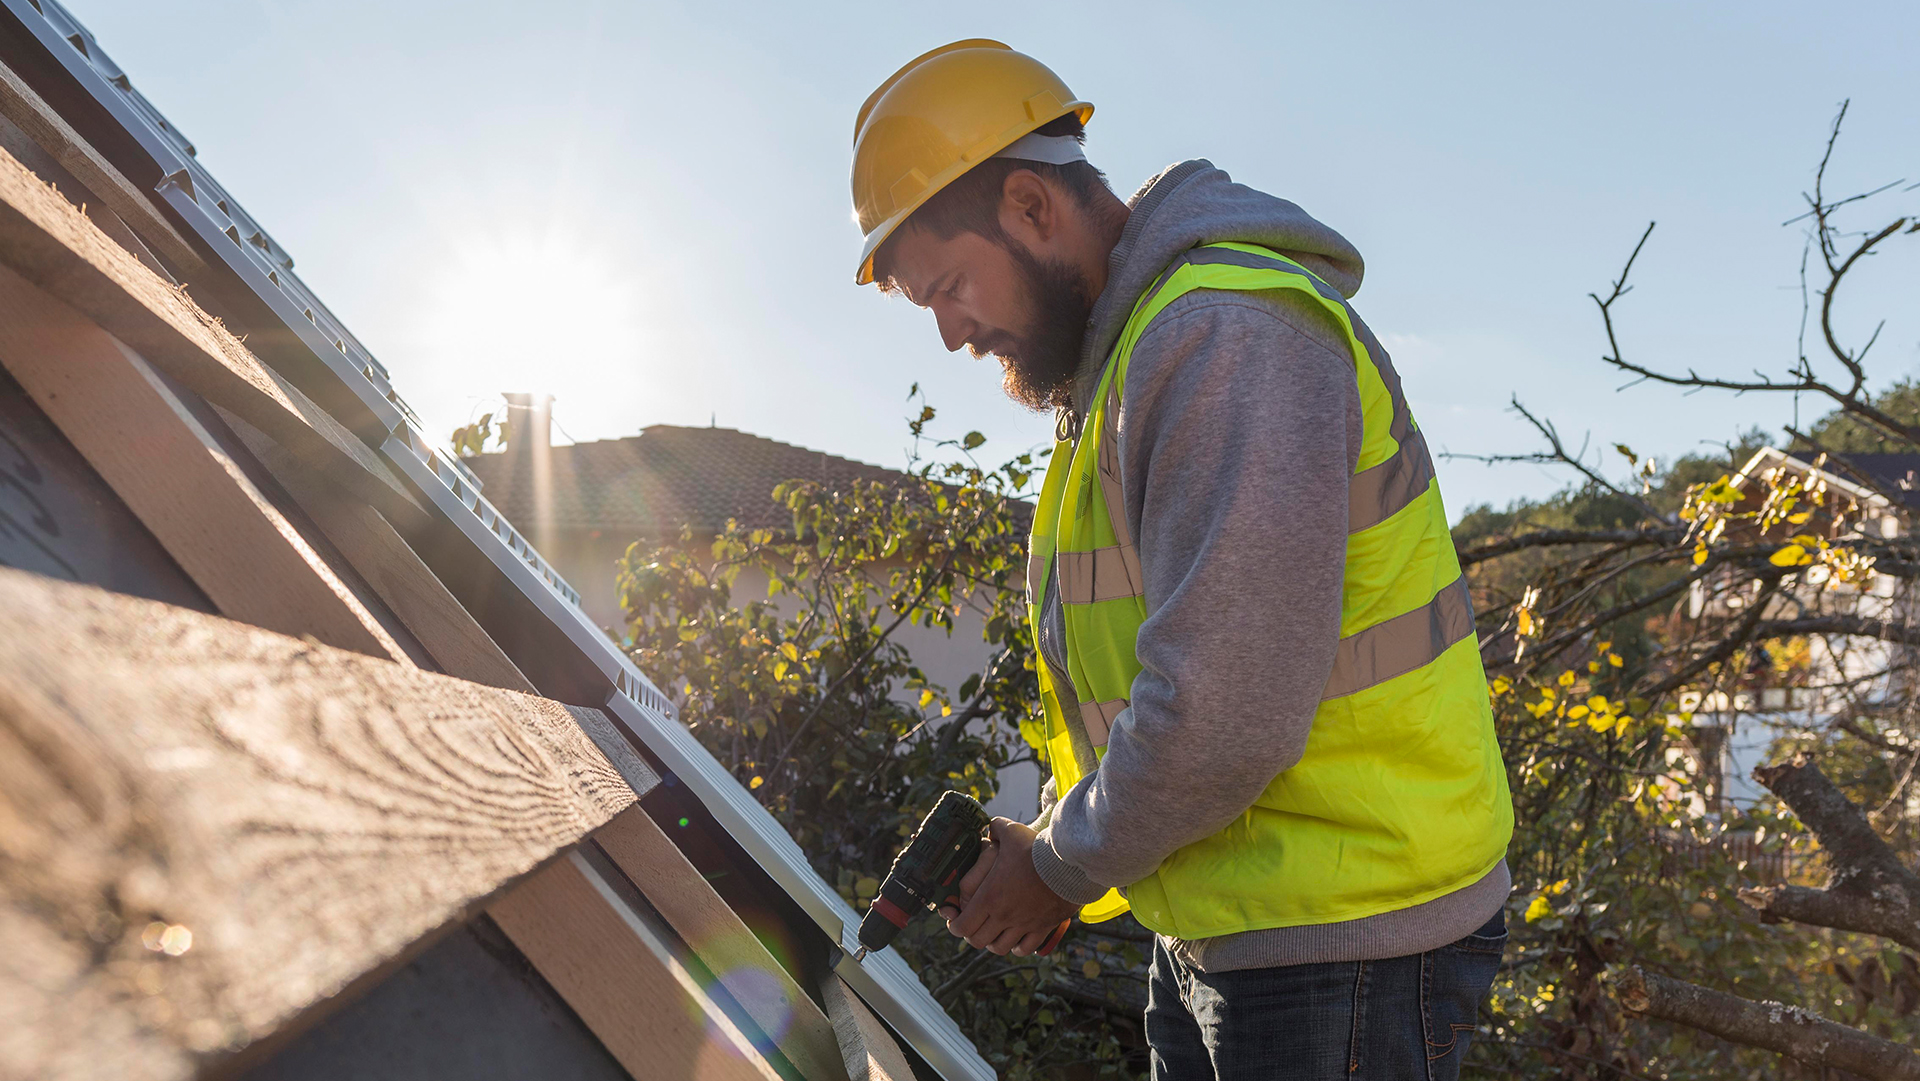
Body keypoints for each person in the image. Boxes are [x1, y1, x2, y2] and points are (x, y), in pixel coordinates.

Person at [849, 40, 1514, 1080]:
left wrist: (1060, 868)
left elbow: (1220, 711)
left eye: (950, 287)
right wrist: (1056, 850)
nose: (949, 334)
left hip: (1343, 934)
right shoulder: (1126, 365)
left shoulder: (1219, 339)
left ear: (1030, 207)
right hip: (1235, 917)